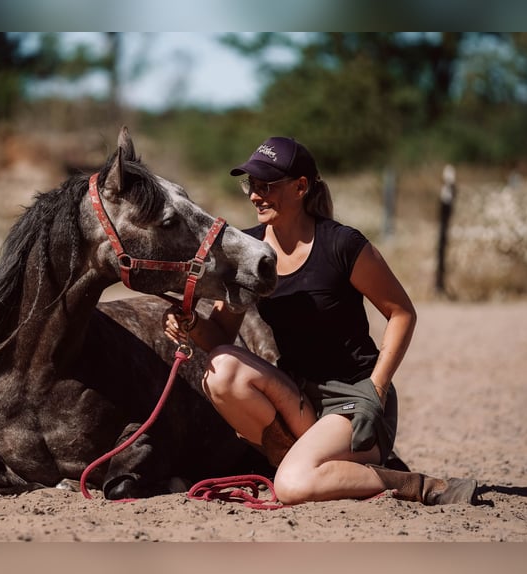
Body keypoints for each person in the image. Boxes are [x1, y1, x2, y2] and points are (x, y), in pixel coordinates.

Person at [164, 136, 477, 505]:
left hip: (355, 397)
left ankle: (420, 485)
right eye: (251, 185)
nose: (254, 195)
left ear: (300, 187)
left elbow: (401, 313)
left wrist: (376, 389)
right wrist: (190, 325)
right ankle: (302, 466)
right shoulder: (248, 252)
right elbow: (220, 335)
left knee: (294, 486)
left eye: (267, 185)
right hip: (297, 395)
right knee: (221, 369)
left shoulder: (341, 245)